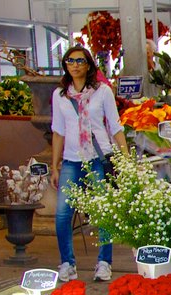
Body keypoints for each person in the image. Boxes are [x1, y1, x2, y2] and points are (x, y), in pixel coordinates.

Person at [49, 45, 128, 282]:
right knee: (63, 213)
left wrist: (125, 161)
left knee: (103, 213)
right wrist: (55, 165)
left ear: (88, 65)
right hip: (72, 160)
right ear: (65, 65)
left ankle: (104, 262)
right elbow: (58, 131)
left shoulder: (102, 91)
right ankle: (67, 263)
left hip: (97, 158)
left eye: (80, 61)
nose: (75, 65)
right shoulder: (60, 95)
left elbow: (115, 126)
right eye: (70, 61)